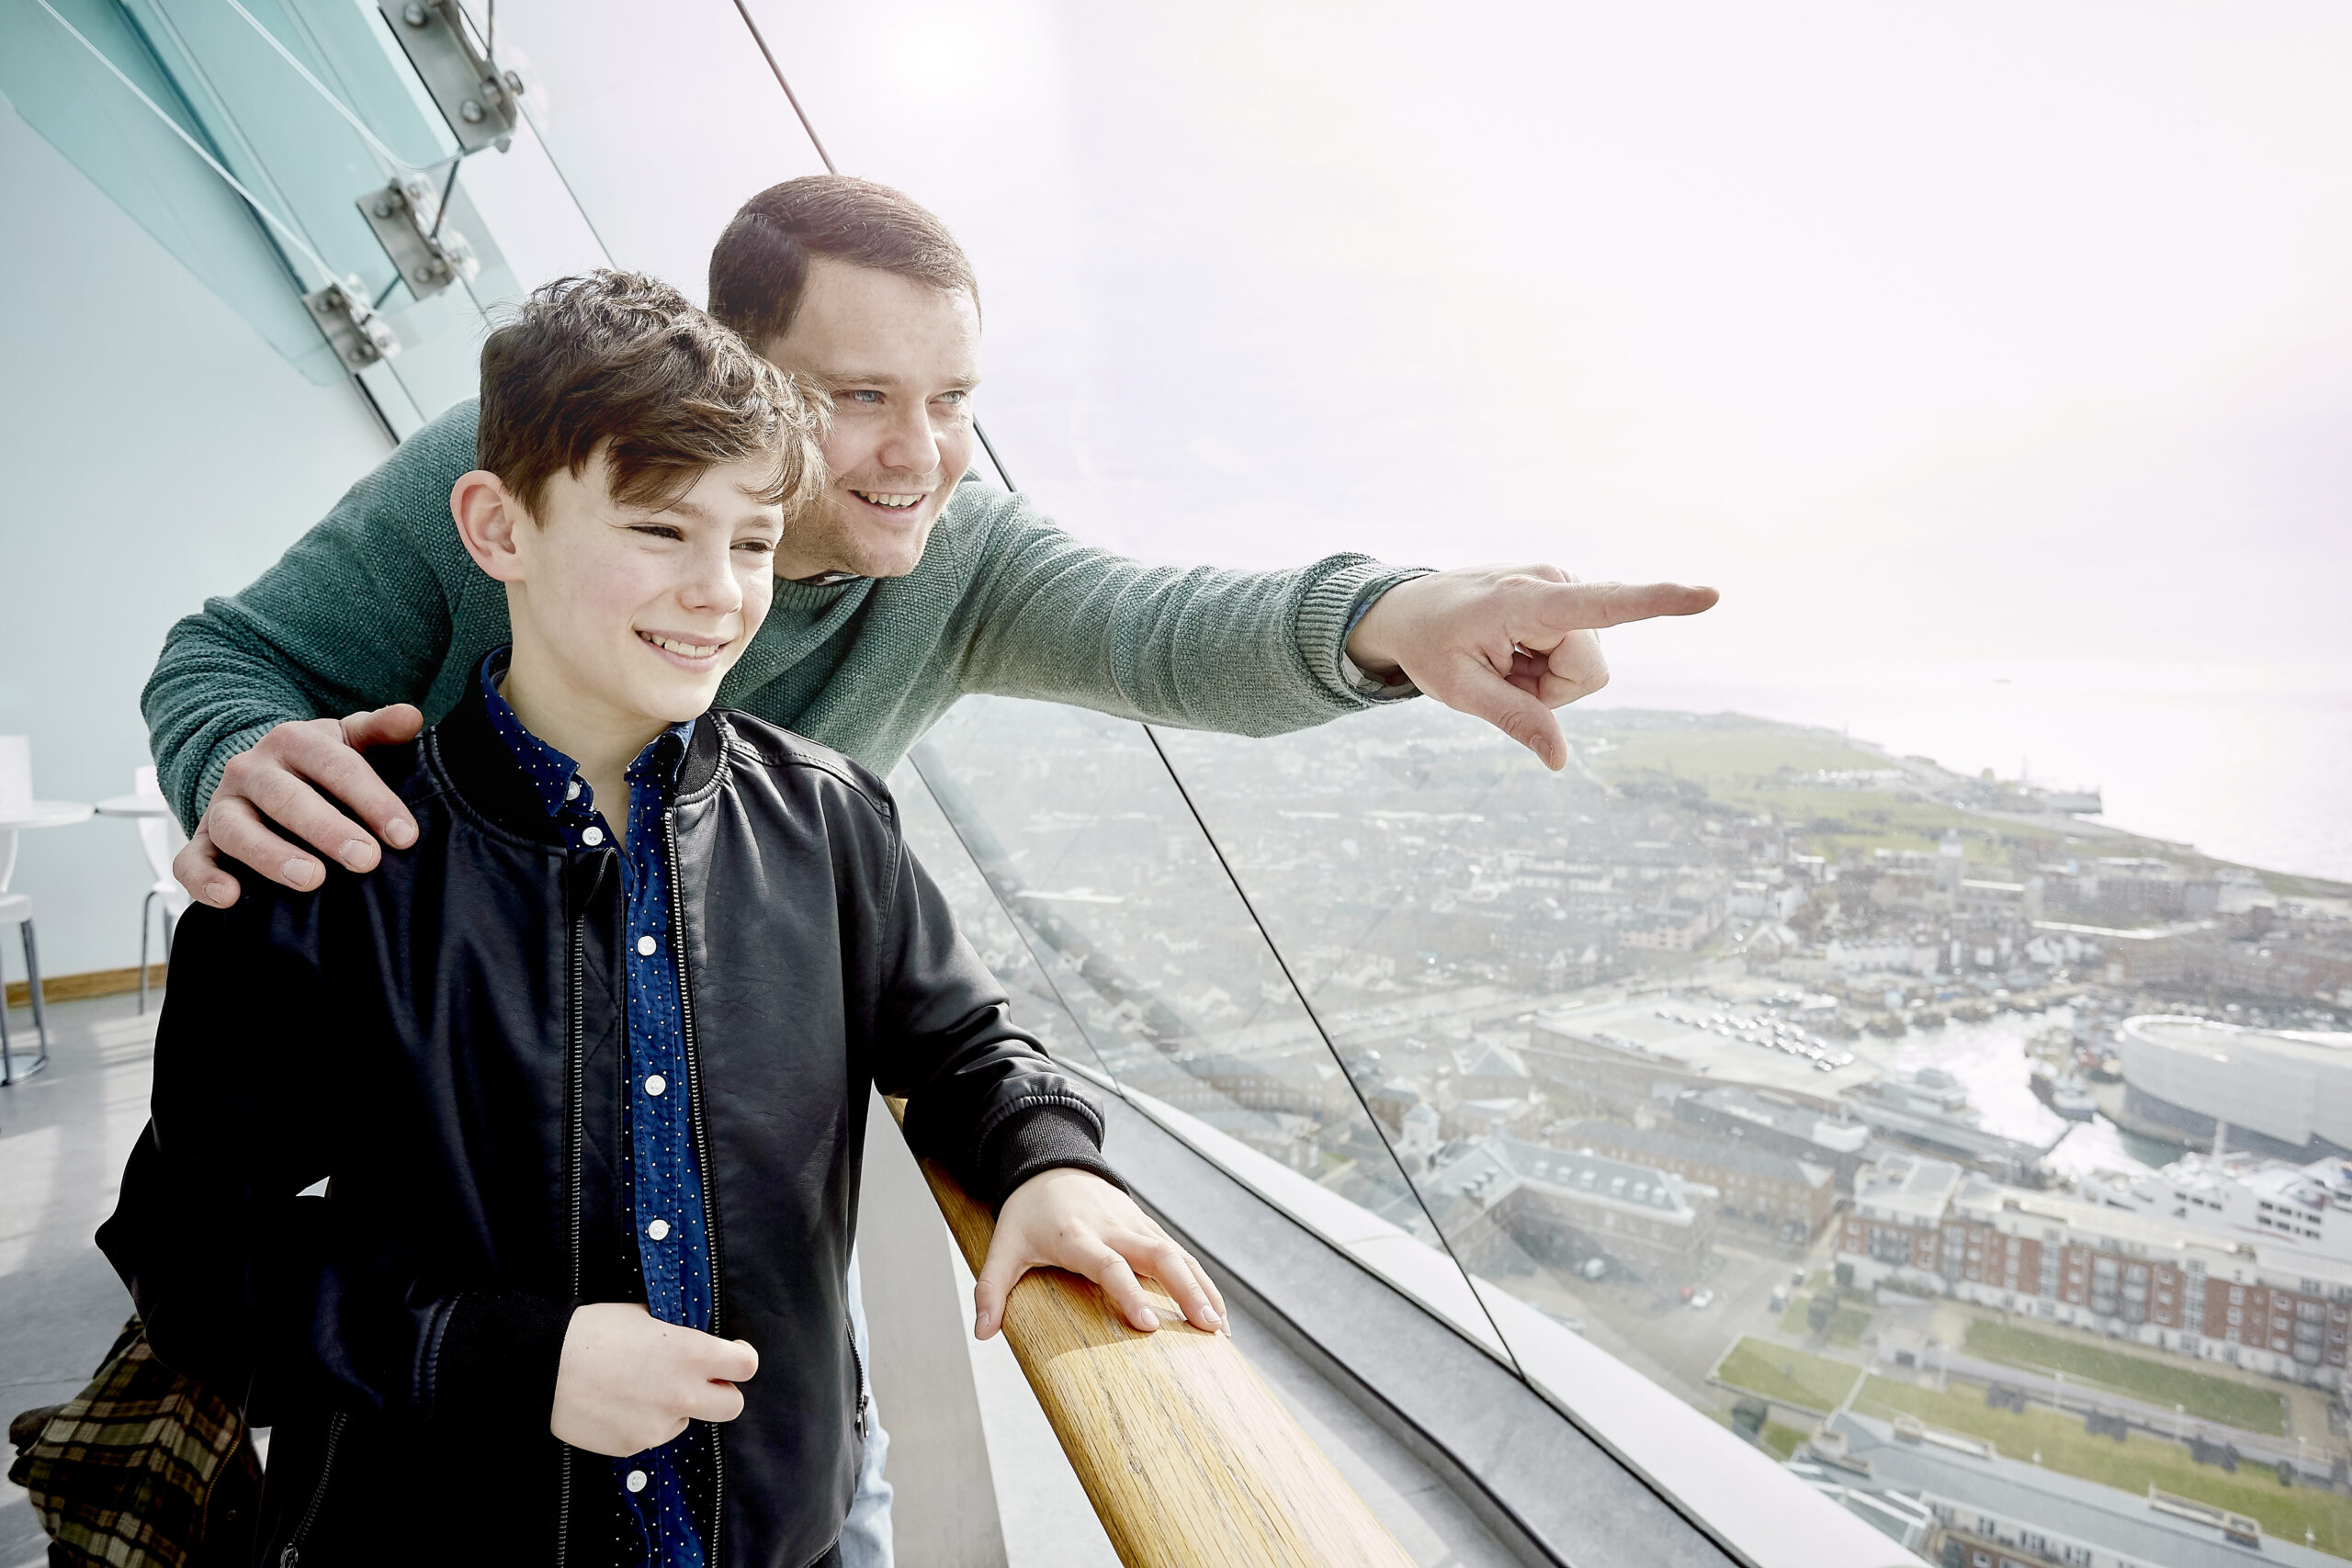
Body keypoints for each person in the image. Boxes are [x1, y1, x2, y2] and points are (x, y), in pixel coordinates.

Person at [139, 175, 1715, 1562]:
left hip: (778, 1452)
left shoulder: (855, 748)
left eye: (957, 397)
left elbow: (1155, 633)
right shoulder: (498, 485)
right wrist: (261, 791)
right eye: (864, 397)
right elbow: (231, 663)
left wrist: (1396, 619)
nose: (923, 453)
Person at [99, 271, 1223, 1568]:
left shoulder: (834, 822)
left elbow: (963, 1047)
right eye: (656, 530)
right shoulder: (328, 862)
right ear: (495, 525)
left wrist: (1046, 1162)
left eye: (750, 542)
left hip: (790, 1536)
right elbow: (187, 1255)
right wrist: (509, 1360)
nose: (716, 594)